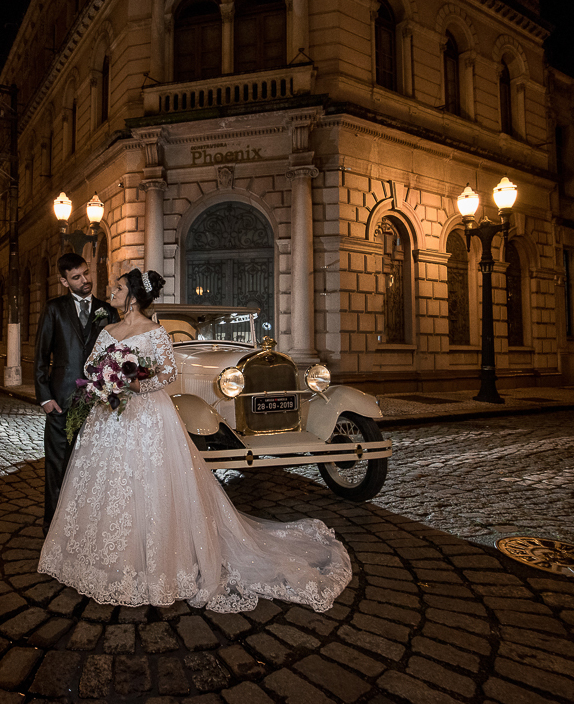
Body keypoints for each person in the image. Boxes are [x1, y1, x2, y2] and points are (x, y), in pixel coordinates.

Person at [38, 268, 351, 613]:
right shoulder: (107, 330)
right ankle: (102, 559)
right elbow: (90, 366)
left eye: (119, 287)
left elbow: (168, 372)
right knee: (107, 484)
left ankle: (158, 562)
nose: (111, 291)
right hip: (109, 417)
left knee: (150, 482)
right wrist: (106, 378)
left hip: (148, 416)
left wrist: (136, 383)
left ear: (133, 297)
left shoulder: (155, 331)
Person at [34, 253, 118, 530]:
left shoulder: (108, 310)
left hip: (98, 402)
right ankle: (54, 523)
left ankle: (89, 522)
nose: (85, 280)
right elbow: (40, 356)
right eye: (76, 277)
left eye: (86, 273)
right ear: (63, 281)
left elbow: (116, 355)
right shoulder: (54, 309)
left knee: (94, 464)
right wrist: (45, 397)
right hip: (60, 400)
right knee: (57, 463)